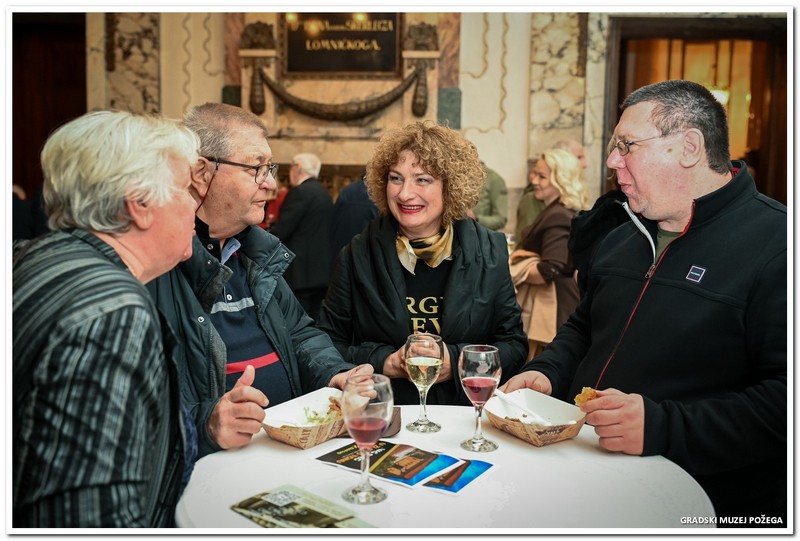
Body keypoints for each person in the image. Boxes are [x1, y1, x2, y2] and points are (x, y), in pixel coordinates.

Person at [501, 80, 786, 525]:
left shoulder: (779, 244)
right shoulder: (621, 237)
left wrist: (662, 426)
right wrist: (548, 371)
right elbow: (585, 327)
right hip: (586, 479)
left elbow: (784, 403)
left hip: (704, 508)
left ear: (689, 147)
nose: (612, 162)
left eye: (626, 146)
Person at [147, 103, 367, 459]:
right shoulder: (159, 263)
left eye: (270, 168)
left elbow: (300, 333)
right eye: (256, 168)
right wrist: (206, 424)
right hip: (214, 462)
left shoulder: (255, 253)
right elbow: (139, 409)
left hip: (287, 448)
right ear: (202, 172)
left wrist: (335, 373)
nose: (271, 184)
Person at [13, 110, 200, 527]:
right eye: (186, 188)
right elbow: (87, 520)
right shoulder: (114, 312)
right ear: (140, 205)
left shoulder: (36, 256)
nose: (194, 204)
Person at [319, 120, 528, 406]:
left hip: (463, 415)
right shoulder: (357, 256)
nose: (405, 193)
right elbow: (327, 344)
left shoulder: (489, 252)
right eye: (396, 178)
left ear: (451, 187)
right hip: (386, 413)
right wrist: (385, 362)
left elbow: (514, 345)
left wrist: (455, 361)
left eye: (422, 180)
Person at [510, 148, 588, 358]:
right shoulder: (557, 210)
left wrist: (514, 273)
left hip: (556, 308)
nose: (534, 180)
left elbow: (550, 269)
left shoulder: (558, 214)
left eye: (542, 176)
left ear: (560, 180)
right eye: (535, 174)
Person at [270, 152, 334, 320]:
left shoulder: (300, 192)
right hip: (320, 270)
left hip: (300, 272)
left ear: (297, 168)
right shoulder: (324, 193)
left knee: (296, 321)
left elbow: (283, 230)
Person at [330, 170, 379, 263]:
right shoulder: (378, 195)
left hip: (341, 252)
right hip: (366, 256)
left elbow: (333, 220)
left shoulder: (347, 190)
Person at [467, 162, 508, 230]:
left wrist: (476, 218)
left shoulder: (494, 180)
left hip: (481, 234)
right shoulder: (455, 176)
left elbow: (501, 219)